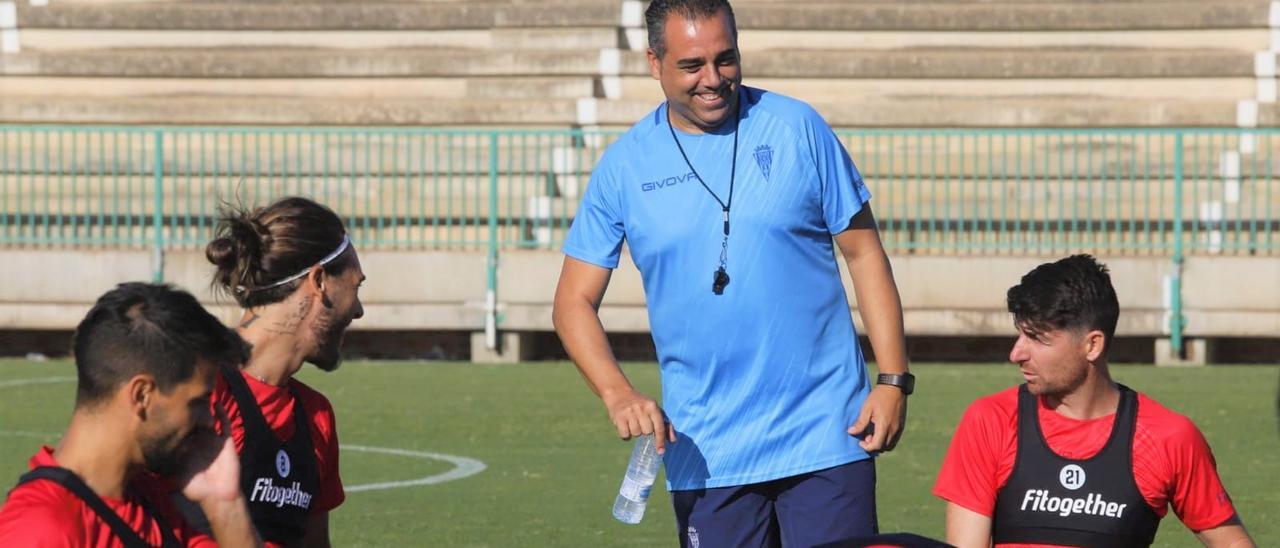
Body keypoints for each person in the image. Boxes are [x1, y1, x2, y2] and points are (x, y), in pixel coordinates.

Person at [552, 0, 911, 545]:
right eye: (692, 65)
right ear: (654, 63)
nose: (714, 80)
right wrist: (617, 394)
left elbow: (864, 255)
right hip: (707, 451)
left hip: (827, 435)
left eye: (727, 59)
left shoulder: (798, 127)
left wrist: (892, 380)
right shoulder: (624, 166)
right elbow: (571, 303)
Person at [933, 255, 1255, 547]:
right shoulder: (991, 420)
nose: (1016, 353)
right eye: (1019, 334)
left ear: (1092, 346)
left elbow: (1231, 541)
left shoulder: (1168, 437)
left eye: (1037, 338)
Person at [0, 283, 262, 547]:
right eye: (197, 402)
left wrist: (225, 502)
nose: (207, 419)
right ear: (141, 396)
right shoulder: (41, 529)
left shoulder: (148, 499)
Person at [191, 196, 365, 548]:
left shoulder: (316, 416)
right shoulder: (200, 393)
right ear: (319, 281)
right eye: (355, 287)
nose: (358, 310)